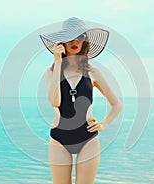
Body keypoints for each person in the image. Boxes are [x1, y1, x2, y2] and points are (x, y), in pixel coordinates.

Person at [40, 17, 123, 184]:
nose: (75, 41)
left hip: (88, 138)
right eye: (70, 37)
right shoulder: (50, 72)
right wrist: (58, 62)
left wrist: (103, 124)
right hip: (59, 138)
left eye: (80, 37)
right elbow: (55, 102)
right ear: (61, 42)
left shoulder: (94, 72)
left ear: (85, 42)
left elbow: (117, 105)